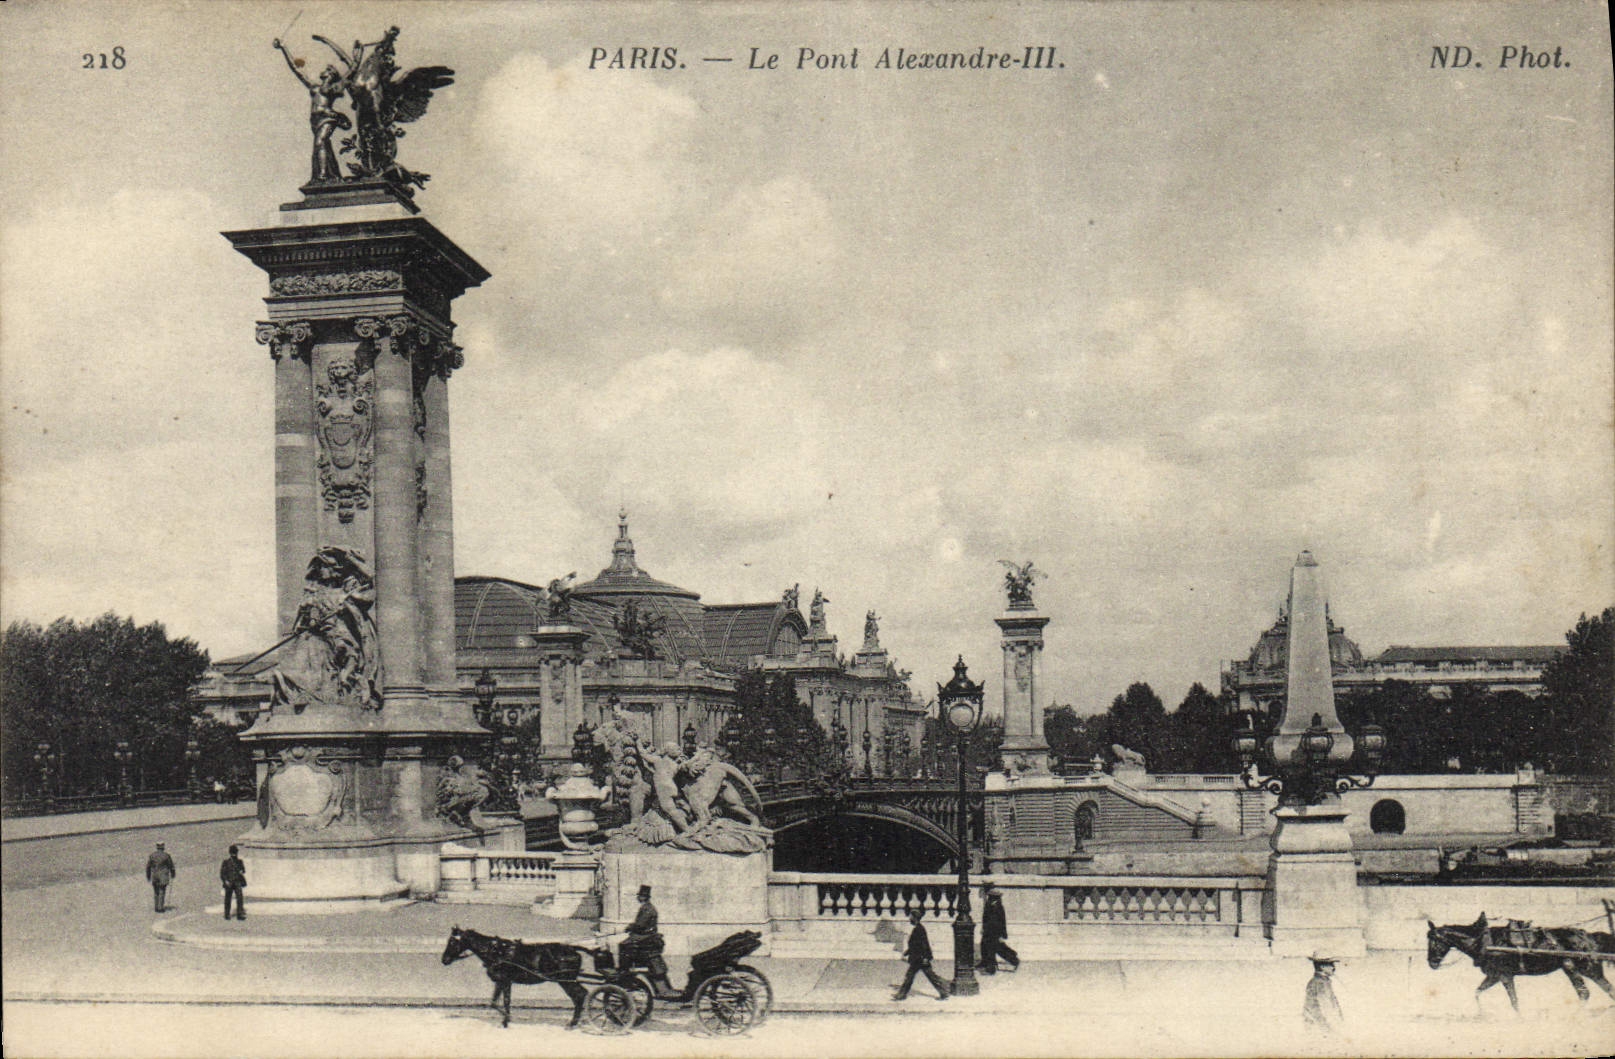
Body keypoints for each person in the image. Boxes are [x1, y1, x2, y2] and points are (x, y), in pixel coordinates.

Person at [623, 884, 679, 1000]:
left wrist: (630, 927)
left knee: (623, 945)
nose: (638, 898)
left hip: (645, 937)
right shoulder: (647, 907)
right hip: (646, 936)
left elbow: (640, 925)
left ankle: (624, 972)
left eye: (639, 896)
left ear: (643, 897)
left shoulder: (647, 909)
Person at [892, 909, 949, 1001]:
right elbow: (915, 944)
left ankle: (901, 995)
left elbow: (924, 944)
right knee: (925, 976)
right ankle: (944, 992)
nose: (909, 919)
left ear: (915, 918)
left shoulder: (919, 929)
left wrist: (925, 957)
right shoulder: (918, 928)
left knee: (912, 976)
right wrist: (907, 952)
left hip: (920, 958)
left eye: (911, 917)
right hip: (919, 958)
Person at [977, 883, 1019, 974]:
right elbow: (985, 918)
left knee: (996, 949)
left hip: (995, 932)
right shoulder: (988, 904)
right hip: (988, 930)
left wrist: (1002, 935)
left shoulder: (999, 907)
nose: (990, 898)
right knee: (984, 946)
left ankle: (1013, 960)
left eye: (992, 897)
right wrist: (983, 928)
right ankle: (985, 963)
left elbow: (1002, 922)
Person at [1303, 954, 1343, 1034]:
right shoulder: (1320, 983)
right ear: (1322, 967)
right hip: (1320, 1026)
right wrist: (1331, 1027)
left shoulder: (1322, 981)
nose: (1333, 967)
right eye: (1331, 965)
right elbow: (1325, 1007)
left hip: (1320, 1024)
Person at [145, 842, 176, 913]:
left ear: (157, 847)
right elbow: (171, 865)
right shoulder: (166, 856)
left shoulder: (152, 855)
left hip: (155, 875)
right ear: (163, 847)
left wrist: (148, 876)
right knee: (162, 890)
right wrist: (173, 874)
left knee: (156, 891)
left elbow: (148, 867)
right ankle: (160, 907)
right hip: (163, 875)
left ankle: (156, 907)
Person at [220, 845, 247, 921]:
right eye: (233, 853)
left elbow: (243, 870)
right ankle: (227, 914)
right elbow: (222, 873)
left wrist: (241, 871)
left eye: (235, 853)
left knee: (239, 898)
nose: (234, 855)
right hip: (229, 882)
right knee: (228, 899)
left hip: (237, 882)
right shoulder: (226, 862)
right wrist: (225, 881)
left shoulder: (239, 861)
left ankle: (239, 914)